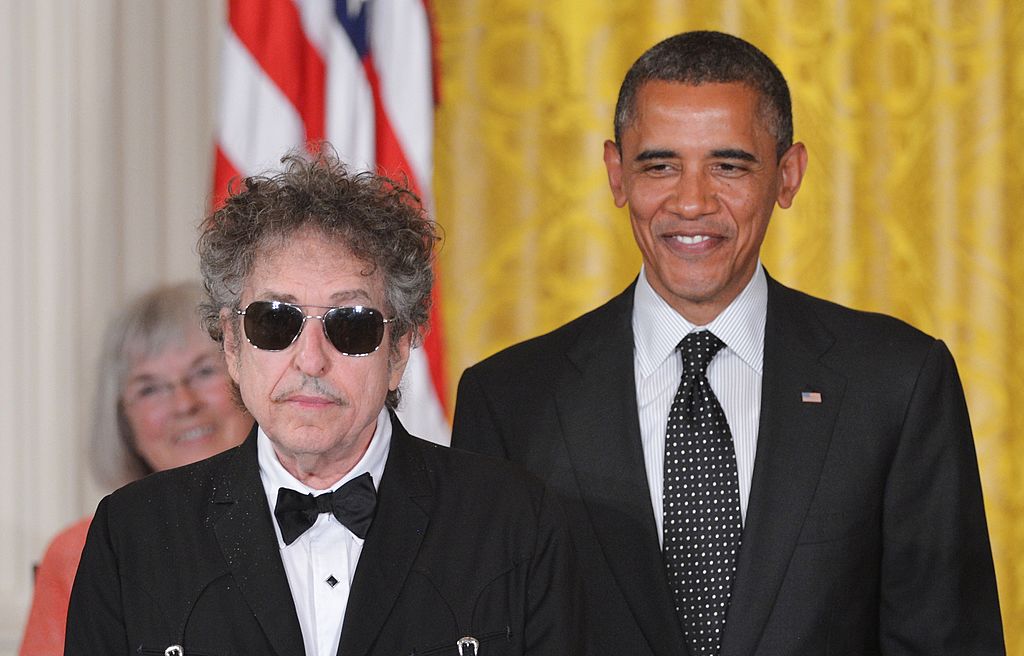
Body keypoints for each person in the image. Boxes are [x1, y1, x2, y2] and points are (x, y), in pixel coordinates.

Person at [452, 30, 1004, 655]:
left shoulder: (897, 384)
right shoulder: (509, 402)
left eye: (728, 166)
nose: (692, 203)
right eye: (660, 166)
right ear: (616, 174)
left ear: (787, 176)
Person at [65, 149, 582, 656]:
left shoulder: (514, 522)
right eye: (275, 321)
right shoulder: (132, 535)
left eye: (351, 324)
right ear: (232, 344)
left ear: (399, 349)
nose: (310, 361)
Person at [18, 282, 253, 656]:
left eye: (204, 371)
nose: (184, 403)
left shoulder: (311, 516)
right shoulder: (78, 553)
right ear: (122, 423)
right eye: (150, 389)